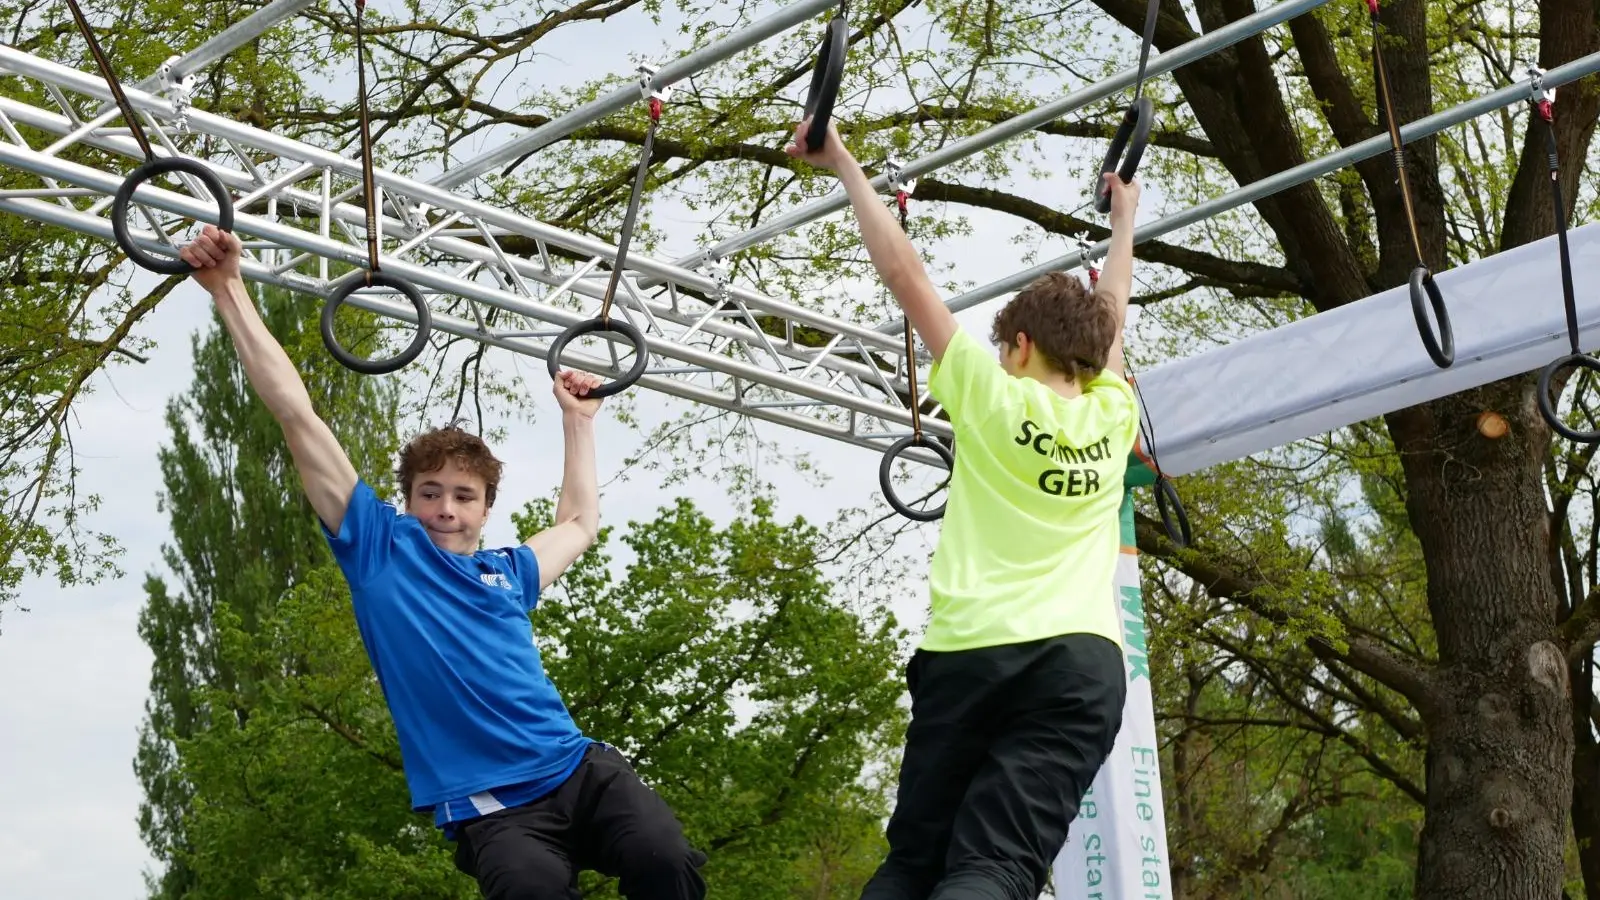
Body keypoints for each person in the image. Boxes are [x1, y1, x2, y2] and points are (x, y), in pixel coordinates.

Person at [178, 227, 707, 900]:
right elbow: (297, 416)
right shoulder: (379, 549)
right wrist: (229, 290)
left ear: (486, 509)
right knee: (530, 893)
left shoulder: (508, 574)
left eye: (464, 496)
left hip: (577, 769)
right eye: (430, 494)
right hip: (496, 809)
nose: (446, 508)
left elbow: (579, 523)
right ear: (409, 500)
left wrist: (579, 421)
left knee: (665, 858)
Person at [786, 120, 1142, 900]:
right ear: (1087, 355)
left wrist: (845, 165)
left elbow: (905, 273)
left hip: (970, 654)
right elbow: (1111, 312)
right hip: (1079, 667)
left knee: (916, 862)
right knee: (997, 862)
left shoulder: (989, 395)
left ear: (1016, 346)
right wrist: (1125, 222)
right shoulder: (1114, 416)